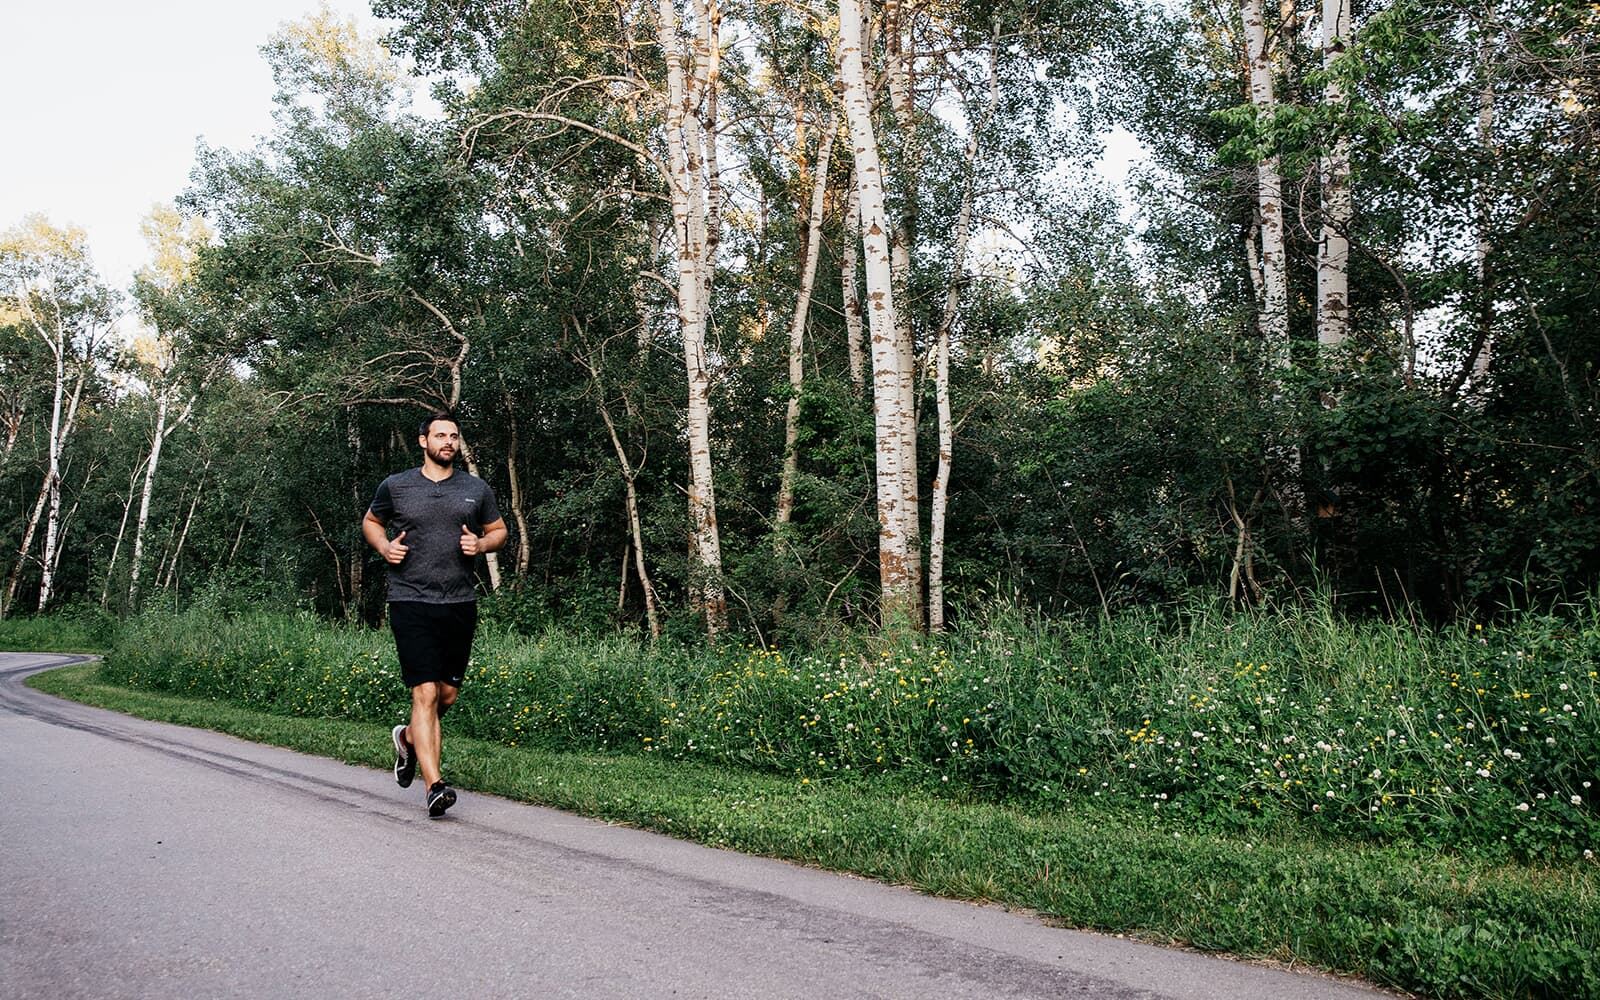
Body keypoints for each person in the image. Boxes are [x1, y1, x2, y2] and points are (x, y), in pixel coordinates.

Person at [363, 411, 506, 817]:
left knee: (446, 695)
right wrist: (384, 547)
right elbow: (371, 522)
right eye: (440, 435)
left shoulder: (475, 489)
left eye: (454, 436)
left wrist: (481, 545)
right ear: (423, 441)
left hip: (459, 602)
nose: (448, 442)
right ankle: (434, 786)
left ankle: (408, 738)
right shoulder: (397, 486)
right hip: (410, 599)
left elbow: (499, 532)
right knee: (424, 692)